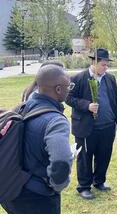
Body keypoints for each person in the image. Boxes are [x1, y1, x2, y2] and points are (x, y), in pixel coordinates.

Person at [1, 65, 73, 214]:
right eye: (69, 86)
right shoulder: (56, 121)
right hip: (38, 197)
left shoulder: (21, 107)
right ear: (58, 89)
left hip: (11, 188)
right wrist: (57, 185)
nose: (69, 89)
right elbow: (61, 161)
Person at [65, 48, 117, 200]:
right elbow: (68, 98)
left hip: (108, 126)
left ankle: (99, 181)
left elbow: (116, 99)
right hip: (86, 127)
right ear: (94, 63)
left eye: (107, 65)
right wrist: (86, 105)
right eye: (103, 64)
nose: (106, 67)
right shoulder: (77, 78)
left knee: (104, 155)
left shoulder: (110, 78)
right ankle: (84, 186)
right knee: (85, 157)